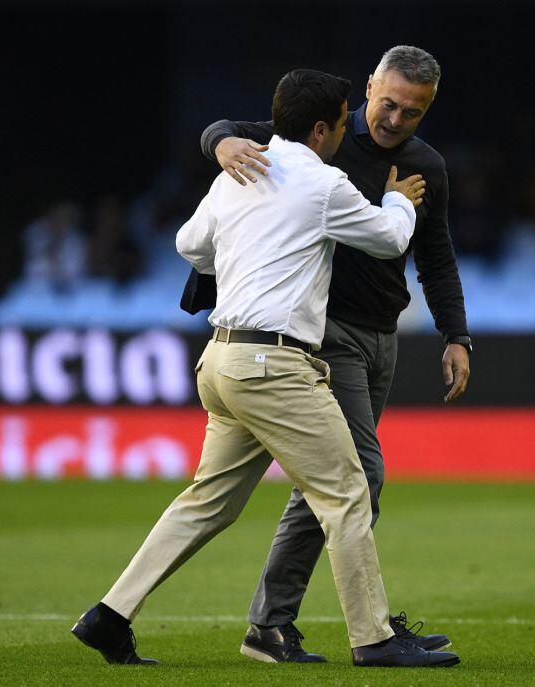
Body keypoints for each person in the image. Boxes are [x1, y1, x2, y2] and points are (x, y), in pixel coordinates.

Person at [72, 68, 460, 669]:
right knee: (348, 491)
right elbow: (387, 239)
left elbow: (189, 245)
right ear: (323, 128)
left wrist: (246, 253)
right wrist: (397, 201)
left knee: (209, 502)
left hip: (221, 358)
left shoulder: (236, 175)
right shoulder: (323, 183)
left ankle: (110, 614)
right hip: (274, 364)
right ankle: (373, 638)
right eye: (339, 125)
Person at [191, 44, 471, 662]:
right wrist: (219, 145)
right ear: (369, 88)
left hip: (383, 338)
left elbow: (436, 255)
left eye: (413, 112)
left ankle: (273, 624)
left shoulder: (427, 166)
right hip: (324, 336)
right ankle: (342, 629)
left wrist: (455, 334)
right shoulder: (323, 138)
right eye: (388, 103)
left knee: (328, 482)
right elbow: (230, 131)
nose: (395, 120)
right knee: (358, 477)